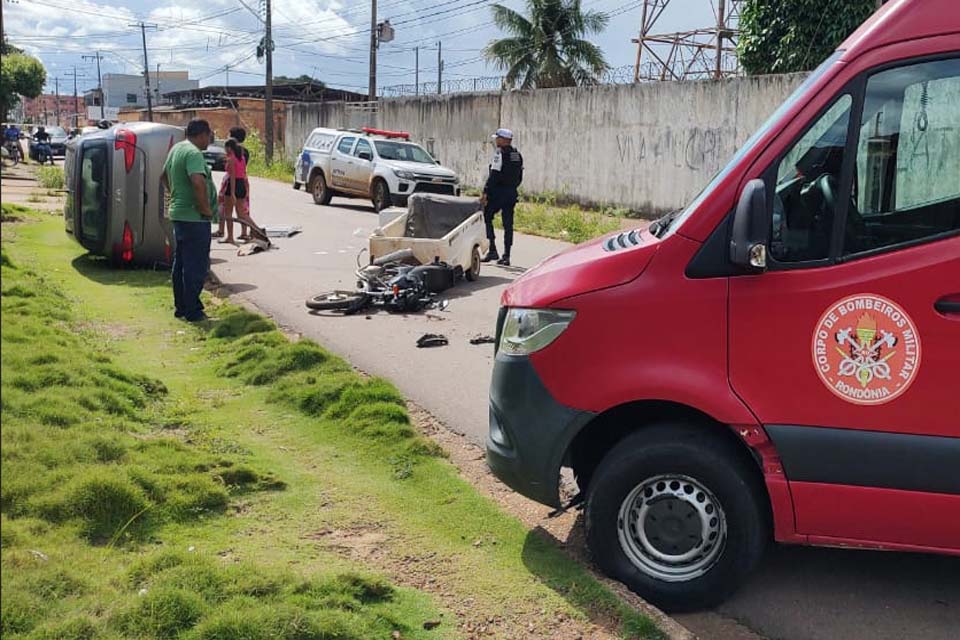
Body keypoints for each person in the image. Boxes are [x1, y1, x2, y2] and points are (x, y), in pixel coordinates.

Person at [161, 119, 218, 322]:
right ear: (202, 134)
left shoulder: (177, 149)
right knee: (196, 265)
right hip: (194, 217)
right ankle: (193, 310)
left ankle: (182, 307)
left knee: (182, 263)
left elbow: (163, 176)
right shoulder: (193, 153)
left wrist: (177, 195)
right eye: (209, 135)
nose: (210, 139)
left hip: (179, 215)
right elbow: (197, 181)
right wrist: (205, 208)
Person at [480, 127, 523, 266]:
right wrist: (512, 188)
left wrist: (485, 192)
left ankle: (492, 249)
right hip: (511, 193)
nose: (496, 140)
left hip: (498, 193)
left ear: (504, 140)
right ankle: (507, 255)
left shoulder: (499, 154)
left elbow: (494, 174)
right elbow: (519, 177)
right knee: (508, 224)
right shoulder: (517, 155)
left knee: (487, 216)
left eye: (498, 138)